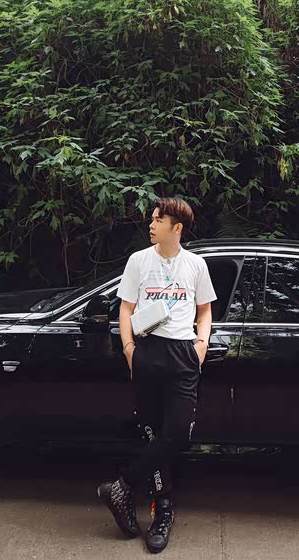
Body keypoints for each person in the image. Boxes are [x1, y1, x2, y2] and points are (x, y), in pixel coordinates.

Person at [97, 196, 217, 553]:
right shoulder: (139, 261)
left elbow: (205, 311)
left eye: (157, 220)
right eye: (151, 219)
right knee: (152, 435)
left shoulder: (196, 265)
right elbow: (126, 308)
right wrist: (129, 348)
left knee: (176, 433)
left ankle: (121, 487)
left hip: (183, 353)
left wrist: (200, 346)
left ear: (176, 228)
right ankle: (162, 512)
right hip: (147, 351)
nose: (150, 225)